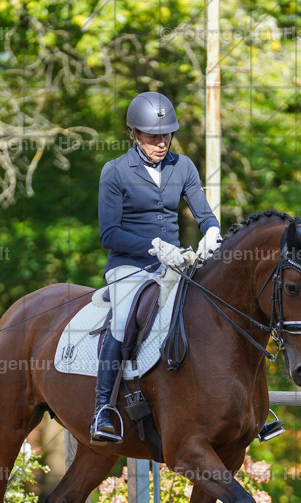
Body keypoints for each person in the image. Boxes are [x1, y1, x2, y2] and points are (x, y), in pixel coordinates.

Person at [91, 92, 222, 443]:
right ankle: (103, 408)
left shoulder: (184, 166)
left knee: (212, 309)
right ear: (134, 134)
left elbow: (204, 212)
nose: (161, 143)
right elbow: (109, 233)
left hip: (175, 264)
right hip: (129, 266)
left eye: (166, 135)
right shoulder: (115, 171)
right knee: (121, 319)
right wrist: (155, 247)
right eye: (153, 137)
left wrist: (211, 231)